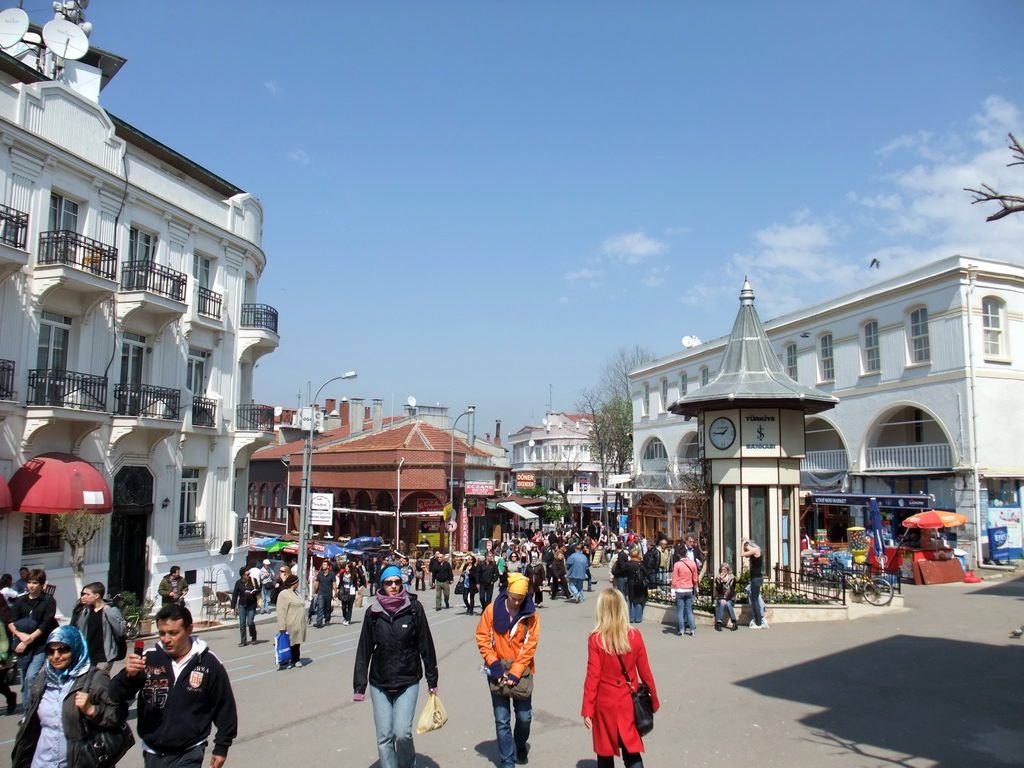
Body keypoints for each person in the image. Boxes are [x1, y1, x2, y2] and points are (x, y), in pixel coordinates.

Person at [110, 604, 237, 768]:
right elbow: (114, 695)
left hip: (189, 751)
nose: (166, 639)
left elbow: (225, 707)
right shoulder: (148, 659)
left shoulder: (209, 664)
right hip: (152, 752)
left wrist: (222, 746)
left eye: (173, 633)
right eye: (162, 633)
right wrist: (128, 676)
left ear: (189, 630)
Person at [353, 566, 438, 768]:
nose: (393, 586)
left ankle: (408, 764)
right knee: (384, 736)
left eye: (397, 582)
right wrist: (359, 686)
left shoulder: (414, 609)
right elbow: (364, 650)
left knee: (402, 733)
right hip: (379, 681)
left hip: (407, 679)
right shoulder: (373, 613)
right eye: (388, 583)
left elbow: (425, 644)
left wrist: (432, 679)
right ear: (381, 585)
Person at [11, 625, 125, 768]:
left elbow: (118, 715)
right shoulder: (42, 680)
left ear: (76, 647)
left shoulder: (95, 679)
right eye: (50, 651)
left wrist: (92, 710)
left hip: (78, 762)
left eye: (63, 649)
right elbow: (31, 725)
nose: (56, 656)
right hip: (42, 763)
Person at [581, 589, 659, 768]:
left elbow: (592, 676)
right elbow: (646, 672)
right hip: (628, 701)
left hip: (604, 702)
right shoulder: (634, 636)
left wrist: (588, 708)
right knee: (631, 752)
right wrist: (653, 700)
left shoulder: (596, 639)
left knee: (605, 754)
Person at [475, 573, 539, 768]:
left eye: (521, 599)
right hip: (497, 669)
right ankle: (507, 761)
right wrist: (493, 664)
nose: (518, 602)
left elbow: (531, 644)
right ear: (508, 593)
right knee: (502, 719)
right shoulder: (492, 610)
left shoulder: (531, 615)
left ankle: (519, 743)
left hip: (521, 669)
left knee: (524, 716)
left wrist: (516, 671)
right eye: (514, 598)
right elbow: (482, 637)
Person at [7, 568, 59, 708]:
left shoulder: (48, 601)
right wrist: (21, 636)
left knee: (31, 676)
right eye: (29, 582)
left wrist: (28, 639)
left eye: (34, 583)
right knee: (25, 680)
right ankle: (27, 711)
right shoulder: (20, 601)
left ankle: (30, 712)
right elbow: (11, 622)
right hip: (23, 645)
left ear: (42, 585)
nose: (31, 585)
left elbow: (44, 625)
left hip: (40, 645)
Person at [70, 582, 127, 669]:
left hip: (103, 656)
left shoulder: (111, 610)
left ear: (96, 596)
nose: (84, 596)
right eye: (83, 594)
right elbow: (77, 628)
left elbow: (121, 630)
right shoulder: (87, 610)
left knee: (99, 680)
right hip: (88, 654)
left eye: (87, 594)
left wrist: (109, 612)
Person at [276, 574, 306, 669]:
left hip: (298, 623)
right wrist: (282, 627)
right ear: (294, 583)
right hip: (290, 622)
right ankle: (287, 660)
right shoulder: (284, 594)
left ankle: (296, 659)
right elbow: (281, 611)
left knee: (297, 643)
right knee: (289, 642)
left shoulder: (296, 593)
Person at [671, 549, 699, 636]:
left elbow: (674, 578)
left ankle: (681, 630)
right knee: (689, 610)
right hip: (689, 589)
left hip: (679, 589)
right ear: (686, 554)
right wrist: (696, 587)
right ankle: (692, 629)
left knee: (680, 610)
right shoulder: (692, 563)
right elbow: (695, 578)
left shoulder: (677, 565)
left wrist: (672, 590)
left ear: (679, 555)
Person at [741, 539, 768, 629]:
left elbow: (742, 554)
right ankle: (760, 620)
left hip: (756, 578)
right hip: (755, 578)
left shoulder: (756, 550)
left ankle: (758, 623)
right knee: (754, 599)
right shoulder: (754, 551)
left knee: (755, 600)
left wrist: (743, 543)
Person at [230, 567, 259, 647]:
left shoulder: (253, 580)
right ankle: (243, 641)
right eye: (247, 574)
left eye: (249, 574)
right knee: (242, 623)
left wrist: (255, 591)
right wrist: (233, 607)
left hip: (252, 604)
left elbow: (259, 589)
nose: (249, 575)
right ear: (243, 575)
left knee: (250, 622)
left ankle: (253, 636)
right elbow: (235, 595)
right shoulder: (238, 583)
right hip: (242, 604)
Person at [1, 591, 18, 714]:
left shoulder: (2, 620)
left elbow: (4, 640)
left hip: (2, 655)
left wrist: (2, 657)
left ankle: (10, 696)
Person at [623, 548, 648, 624]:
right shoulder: (640, 564)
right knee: (639, 601)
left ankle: (631, 618)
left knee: (631, 600)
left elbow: (625, 572)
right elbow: (646, 573)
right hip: (639, 583)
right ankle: (638, 618)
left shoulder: (627, 564)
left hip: (630, 582)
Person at [714, 563, 739, 631]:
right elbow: (719, 590)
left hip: (729, 598)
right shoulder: (718, 578)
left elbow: (732, 591)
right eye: (722, 570)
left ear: (727, 571)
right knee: (722, 603)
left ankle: (734, 623)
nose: (723, 572)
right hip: (720, 597)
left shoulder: (732, 578)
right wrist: (721, 581)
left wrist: (726, 598)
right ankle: (719, 623)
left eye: (724, 570)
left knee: (727, 603)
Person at [338, 561, 365, 626]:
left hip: (351, 591)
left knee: (350, 606)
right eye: (346, 567)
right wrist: (337, 591)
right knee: (344, 606)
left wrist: (356, 594)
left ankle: (348, 619)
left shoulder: (353, 575)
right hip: (344, 591)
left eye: (348, 567)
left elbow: (355, 585)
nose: (346, 568)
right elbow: (340, 583)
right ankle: (345, 617)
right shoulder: (342, 574)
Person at [313, 559, 337, 628]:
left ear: (328, 566)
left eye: (324, 565)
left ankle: (327, 619)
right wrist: (315, 592)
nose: (323, 566)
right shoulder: (320, 574)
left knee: (327, 608)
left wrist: (335, 592)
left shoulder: (332, 574)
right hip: (321, 593)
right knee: (320, 607)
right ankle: (319, 622)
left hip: (328, 593)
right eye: (322, 565)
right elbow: (317, 583)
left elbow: (334, 584)